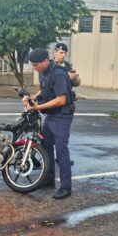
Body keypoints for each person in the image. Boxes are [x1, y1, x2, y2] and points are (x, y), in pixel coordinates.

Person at [23, 48, 74, 199]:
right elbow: (45, 89)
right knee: (46, 147)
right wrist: (33, 97)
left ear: (45, 61)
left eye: (36, 64)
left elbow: (61, 100)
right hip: (51, 116)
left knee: (61, 150)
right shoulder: (43, 72)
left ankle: (66, 187)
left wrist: (37, 107)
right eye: (33, 65)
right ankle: (49, 179)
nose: (34, 67)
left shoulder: (59, 74)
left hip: (62, 116)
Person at [53, 42, 80, 166]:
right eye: (60, 52)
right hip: (53, 104)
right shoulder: (50, 65)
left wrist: (74, 78)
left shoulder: (68, 66)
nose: (63, 55)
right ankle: (42, 158)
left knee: (63, 136)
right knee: (47, 135)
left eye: (64, 53)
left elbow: (77, 83)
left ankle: (62, 158)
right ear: (55, 52)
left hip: (66, 105)